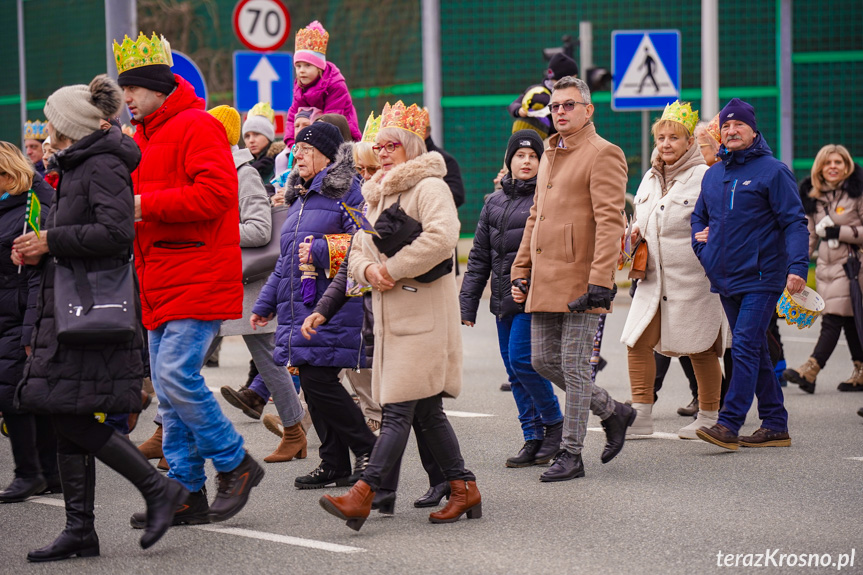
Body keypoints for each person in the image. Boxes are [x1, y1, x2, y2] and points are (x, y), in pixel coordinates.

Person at [12, 75, 187, 562]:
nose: (45, 133)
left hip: (90, 311)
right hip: (67, 306)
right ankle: (80, 531)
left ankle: (157, 489)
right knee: (64, 411)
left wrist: (50, 242)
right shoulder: (73, 166)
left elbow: (114, 233)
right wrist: (39, 250)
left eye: (51, 124)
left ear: (69, 126)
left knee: (69, 411)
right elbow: (75, 235)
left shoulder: (102, 164)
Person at [113, 32, 263, 523]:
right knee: (171, 389)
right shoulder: (142, 137)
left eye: (132, 89)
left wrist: (142, 206)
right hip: (158, 279)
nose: (126, 98)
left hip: (195, 273)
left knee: (176, 377)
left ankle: (235, 462)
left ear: (158, 88)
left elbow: (217, 195)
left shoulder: (197, 126)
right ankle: (184, 491)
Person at [321, 101, 481, 531]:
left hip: (425, 316)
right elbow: (357, 250)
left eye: (393, 144)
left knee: (396, 408)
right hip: (393, 318)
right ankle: (464, 487)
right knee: (425, 412)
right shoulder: (380, 192)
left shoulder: (430, 186)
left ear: (410, 146)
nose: (384, 151)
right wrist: (369, 269)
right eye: (380, 144)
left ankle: (364, 493)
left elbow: (444, 237)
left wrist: (389, 268)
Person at [510, 76, 635, 482]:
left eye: (569, 105)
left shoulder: (604, 153)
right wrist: (522, 268)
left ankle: (571, 453)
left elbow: (610, 220)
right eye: (556, 106)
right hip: (546, 275)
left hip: (583, 279)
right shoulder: (550, 152)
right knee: (541, 359)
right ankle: (614, 411)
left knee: (575, 366)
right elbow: (536, 216)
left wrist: (601, 279)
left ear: (588, 110)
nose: (560, 112)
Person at [250, 122, 375, 489]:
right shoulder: (300, 199)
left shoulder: (350, 191)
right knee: (310, 378)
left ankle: (367, 446)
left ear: (327, 156)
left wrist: (320, 250)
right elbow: (285, 261)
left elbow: (363, 243)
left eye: (306, 150)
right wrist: (265, 302)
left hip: (333, 305)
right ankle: (333, 462)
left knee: (320, 382)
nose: (297, 155)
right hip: (298, 307)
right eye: (296, 151)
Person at [691, 98, 810, 450]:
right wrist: (705, 251)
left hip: (762, 276)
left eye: (738, 125)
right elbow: (699, 219)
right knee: (754, 349)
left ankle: (729, 423)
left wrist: (798, 266)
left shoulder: (773, 171)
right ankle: (775, 424)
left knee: (742, 345)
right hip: (724, 277)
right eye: (725, 126)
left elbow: (794, 222)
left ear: (753, 130)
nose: (731, 130)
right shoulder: (713, 174)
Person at [207, 105, 307, 464]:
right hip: (219, 279)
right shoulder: (212, 170)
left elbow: (259, 230)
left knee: (266, 360)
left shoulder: (243, 173)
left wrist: (212, 235)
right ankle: (163, 433)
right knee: (187, 362)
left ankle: (295, 431)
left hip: (245, 284)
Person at [620, 101, 725, 440]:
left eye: (674, 138)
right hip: (652, 279)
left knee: (701, 347)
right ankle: (641, 416)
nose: (666, 144)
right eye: (661, 138)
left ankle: (709, 415)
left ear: (689, 143)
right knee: (636, 342)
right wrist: (633, 234)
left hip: (694, 280)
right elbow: (641, 221)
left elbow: (722, 221)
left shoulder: (706, 177)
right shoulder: (649, 179)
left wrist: (715, 235)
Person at [460, 129, 564, 466]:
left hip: (532, 297)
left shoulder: (548, 199)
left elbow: (552, 252)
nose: (527, 161)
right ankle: (532, 438)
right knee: (514, 371)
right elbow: (479, 258)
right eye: (520, 155)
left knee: (523, 361)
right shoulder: (493, 202)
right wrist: (468, 302)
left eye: (533, 156)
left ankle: (554, 424)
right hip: (502, 299)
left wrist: (530, 281)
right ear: (509, 160)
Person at [0, 141, 57, 503]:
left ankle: (30, 472)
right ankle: (49, 472)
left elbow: (39, 268)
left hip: (23, 308)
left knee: (12, 391)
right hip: (9, 307)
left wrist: (31, 322)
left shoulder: (35, 203)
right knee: (27, 393)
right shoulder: (9, 205)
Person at [783, 145, 863, 393]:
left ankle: (811, 370)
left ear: (847, 165)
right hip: (825, 268)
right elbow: (806, 236)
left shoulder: (857, 193)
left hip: (852, 266)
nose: (833, 167)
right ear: (820, 167)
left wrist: (842, 232)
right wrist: (795, 265)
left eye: (838, 162)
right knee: (850, 321)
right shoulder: (812, 196)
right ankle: (860, 371)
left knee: (832, 317)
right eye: (828, 163)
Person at [283, 21, 361, 149]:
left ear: (319, 67)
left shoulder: (335, 85)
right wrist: (292, 142)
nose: (301, 70)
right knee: (282, 158)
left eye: (308, 65)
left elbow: (331, 121)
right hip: (309, 136)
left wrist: (309, 142)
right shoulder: (300, 86)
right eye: (298, 66)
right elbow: (293, 116)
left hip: (340, 138)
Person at [507, 53, 579, 139]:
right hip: (534, 137)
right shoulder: (537, 92)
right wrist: (519, 110)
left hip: (556, 138)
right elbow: (514, 104)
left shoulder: (571, 94)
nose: (574, 82)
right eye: (573, 79)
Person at [242, 102, 285, 191]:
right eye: (247, 136)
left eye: (256, 134)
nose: (251, 140)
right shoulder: (241, 164)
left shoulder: (283, 158)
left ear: (268, 136)